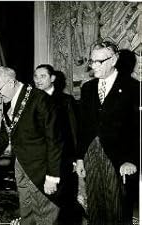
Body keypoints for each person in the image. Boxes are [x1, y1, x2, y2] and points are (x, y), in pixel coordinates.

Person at [0, 66, 65, 225]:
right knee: (27, 214)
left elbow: (54, 140)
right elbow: (5, 133)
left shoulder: (40, 99)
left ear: (10, 83)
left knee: (44, 216)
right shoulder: (8, 99)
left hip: (41, 170)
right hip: (21, 166)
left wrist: (52, 176)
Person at [75, 41, 139, 225]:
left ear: (114, 60)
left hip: (118, 158)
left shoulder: (133, 88)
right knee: (94, 205)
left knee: (116, 208)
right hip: (91, 154)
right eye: (91, 61)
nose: (93, 66)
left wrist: (132, 159)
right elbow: (83, 126)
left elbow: (138, 129)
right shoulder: (87, 89)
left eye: (98, 61)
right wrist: (80, 157)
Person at [34, 64, 83, 224]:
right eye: (36, 77)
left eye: (43, 76)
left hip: (64, 159)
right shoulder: (32, 101)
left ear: (52, 78)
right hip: (41, 160)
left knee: (65, 202)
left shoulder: (65, 100)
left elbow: (74, 130)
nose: (38, 80)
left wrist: (77, 158)